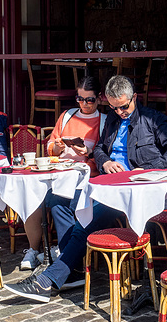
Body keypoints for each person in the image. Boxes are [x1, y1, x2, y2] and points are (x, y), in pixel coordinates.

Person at [4, 75, 167, 302]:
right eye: (114, 107)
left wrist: (147, 170)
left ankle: (47, 282)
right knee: (58, 201)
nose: (120, 112)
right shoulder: (112, 119)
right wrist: (105, 162)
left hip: (132, 192)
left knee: (85, 223)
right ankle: (71, 270)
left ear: (135, 98)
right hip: (107, 186)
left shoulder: (152, 120)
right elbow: (100, 148)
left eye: (124, 106)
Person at [20, 76, 106, 270]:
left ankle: (64, 252)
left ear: (99, 98)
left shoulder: (104, 122)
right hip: (58, 174)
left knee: (60, 202)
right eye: (80, 99)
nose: (84, 104)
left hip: (85, 179)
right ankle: (36, 249)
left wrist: (88, 154)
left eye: (89, 100)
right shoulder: (67, 116)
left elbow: (105, 156)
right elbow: (50, 145)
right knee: (31, 194)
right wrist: (57, 147)